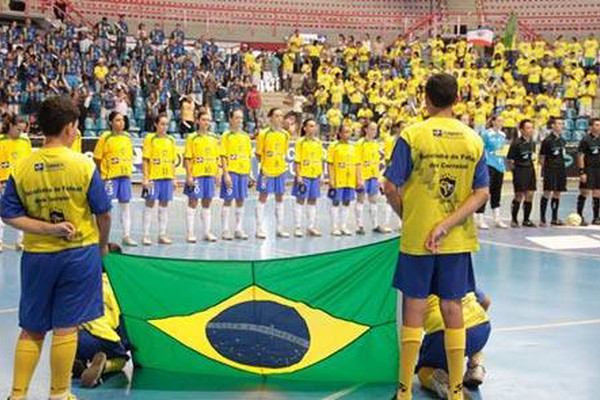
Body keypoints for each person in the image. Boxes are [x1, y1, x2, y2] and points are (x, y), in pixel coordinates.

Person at [384, 73, 489, 400]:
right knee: (452, 307)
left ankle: (404, 392)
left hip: (417, 238)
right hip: (455, 240)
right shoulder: (473, 139)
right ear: (457, 99)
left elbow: (390, 186)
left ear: (426, 99)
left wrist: (410, 217)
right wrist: (446, 224)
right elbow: (481, 193)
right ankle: (456, 391)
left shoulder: (412, 135)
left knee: (414, 308)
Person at [2, 96, 111, 400]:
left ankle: (18, 394)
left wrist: (47, 229)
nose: (77, 132)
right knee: (67, 326)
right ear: (67, 128)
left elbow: (9, 213)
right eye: (76, 126)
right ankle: (59, 393)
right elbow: (103, 213)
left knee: (32, 327)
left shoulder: (22, 167)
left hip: (37, 257)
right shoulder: (83, 166)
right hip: (79, 255)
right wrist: (101, 248)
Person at [415, 290, 491, 399]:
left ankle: (445, 385)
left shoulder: (415, 283)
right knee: (471, 338)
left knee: (424, 370)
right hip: (481, 328)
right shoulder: (458, 276)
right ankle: (476, 365)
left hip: (442, 335)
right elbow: (487, 301)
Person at [73, 249, 130, 387]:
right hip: (104, 336)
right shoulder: (120, 289)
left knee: (71, 343)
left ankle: (76, 360)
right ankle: (105, 366)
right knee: (121, 357)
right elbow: (125, 323)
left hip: (77, 337)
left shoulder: (82, 284)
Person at [93, 112, 137, 246]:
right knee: (106, 208)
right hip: (110, 178)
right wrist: (102, 176)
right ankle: (101, 237)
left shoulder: (128, 137)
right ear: (111, 122)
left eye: (122, 120)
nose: (121, 123)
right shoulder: (105, 138)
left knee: (125, 206)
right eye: (117, 120)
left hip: (124, 177)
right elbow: (97, 158)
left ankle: (126, 235)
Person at [184, 111, 221, 242]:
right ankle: (190, 232)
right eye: (204, 120)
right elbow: (187, 158)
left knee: (207, 202)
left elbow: (217, 157)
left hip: (209, 174)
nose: (206, 122)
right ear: (198, 121)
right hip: (196, 175)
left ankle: (207, 232)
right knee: (193, 202)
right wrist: (189, 175)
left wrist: (217, 173)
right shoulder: (192, 138)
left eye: (208, 120)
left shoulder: (214, 138)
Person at [141, 113, 177, 245]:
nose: (164, 127)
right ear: (156, 124)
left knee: (164, 205)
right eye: (162, 124)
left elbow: (173, 161)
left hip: (166, 177)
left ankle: (162, 234)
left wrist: (174, 178)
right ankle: (145, 235)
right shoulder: (150, 139)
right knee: (149, 204)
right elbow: (145, 160)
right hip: (153, 178)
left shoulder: (171, 140)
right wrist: (145, 178)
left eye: (166, 124)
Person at [255, 108, 290, 239]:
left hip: (280, 170)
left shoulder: (285, 135)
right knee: (263, 197)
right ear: (271, 118)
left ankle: (280, 228)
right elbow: (258, 154)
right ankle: (259, 228)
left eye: (281, 116)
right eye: (276, 116)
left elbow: (284, 152)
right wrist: (265, 165)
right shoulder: (263, 134)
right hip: (266, 171)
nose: (279, 118)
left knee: (280, 197)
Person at [0, 113, 31, 251]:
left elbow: (28, 162)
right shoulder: (1, 141)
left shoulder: (25, 142)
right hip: (3, 182)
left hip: (20, 182)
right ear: (11, 126)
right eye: (18, 129)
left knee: (22, 212)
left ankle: (21, 241)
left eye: (23, 130)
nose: (20, 133)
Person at [220, 109, 252, 240]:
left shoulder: (245, 136)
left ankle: (238, 229)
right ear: (231, 119)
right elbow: (223, 156)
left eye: (241, 118)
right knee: (228, 200)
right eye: (237, 118)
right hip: (231, 172)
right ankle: (225, 230)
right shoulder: (226, 136)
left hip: (243, 173)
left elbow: (248, 156)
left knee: (241, 200)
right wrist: (226, 174)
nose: (239, 120)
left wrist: (249, 173)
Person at [327, 124, 362, 236]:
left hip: (350, 180)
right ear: (340, 133)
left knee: (347, 202)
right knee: (336, 201)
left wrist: (359, 179)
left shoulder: (354, 147)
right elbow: (330, 164)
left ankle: (343, 226)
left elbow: (357, 164)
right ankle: (334, 227)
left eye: (349, 132)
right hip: (338, 179)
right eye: (345, 132)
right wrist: (331, 179)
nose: (347, 134)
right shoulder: (334, 146)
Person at [474, 115, 509, 230]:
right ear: (493, 122)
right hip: (489, 165)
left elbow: (502, 151)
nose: (500, 123)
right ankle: (480, 218)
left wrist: (504, 165)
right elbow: (481, 149)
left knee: (496, 192)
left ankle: (497, 219)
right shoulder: (486, 134)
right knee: (485, 192)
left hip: (499, 166)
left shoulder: (503, 135)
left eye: (502, 121)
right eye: (498, 121)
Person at [356, 120, 390, 234]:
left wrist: (379, 177)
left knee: (373, 200)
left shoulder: (376, 144)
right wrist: (359, 178)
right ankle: (359, 225)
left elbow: (379, 162)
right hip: (363, 176)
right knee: (360, 199)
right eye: (372, 129)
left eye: (375, 129)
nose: (374, 131)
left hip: (373, 176)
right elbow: (357, 162)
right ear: (366, 130)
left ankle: (375, 225)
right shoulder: (360, 143)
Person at [291, 118, 324, 237]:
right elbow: (297, 160)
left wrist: (321, 175)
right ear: (304, 128)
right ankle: (297, 227)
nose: (313, 128)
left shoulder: (318, 143)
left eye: (314, 126)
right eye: (310, 126)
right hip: (304, 175)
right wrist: (298, 176)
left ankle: (311, 227)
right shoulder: (300, 142)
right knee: (300, 200)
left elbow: (320, 159)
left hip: (315, 175)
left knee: (313, 200)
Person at [507, 119, 537, 227]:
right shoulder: (516, 143)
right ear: (522, 130)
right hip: (520, 170)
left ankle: (526, 219)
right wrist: (515, 172)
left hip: (530, 170)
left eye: (532, 127)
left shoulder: (533, 143)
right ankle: (514, 219)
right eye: (528, 128)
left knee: (530, 194)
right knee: (519, 195)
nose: (531, 130)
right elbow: (509, 160)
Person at [539, 117, 567, 226]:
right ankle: (542, 218)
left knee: (558, 192)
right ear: (553, 126)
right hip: (550, 170)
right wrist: (545, 170)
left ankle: (554, 218)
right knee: (547, 192)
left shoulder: (562, 140)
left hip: (561, 169)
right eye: (558, 123)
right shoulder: (547, 141)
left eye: (562, 124)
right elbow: (542, 157)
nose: (561, 126)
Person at [576, 118, 600, 225]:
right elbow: (580, 156)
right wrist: (582, 172)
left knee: (597, 192)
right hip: (588, 169)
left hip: (598, 169)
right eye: (596, 125)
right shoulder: (585, 140)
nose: (598, 127)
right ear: (591, 127)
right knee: (584, 192)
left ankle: (596, 217)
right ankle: (579, 216)